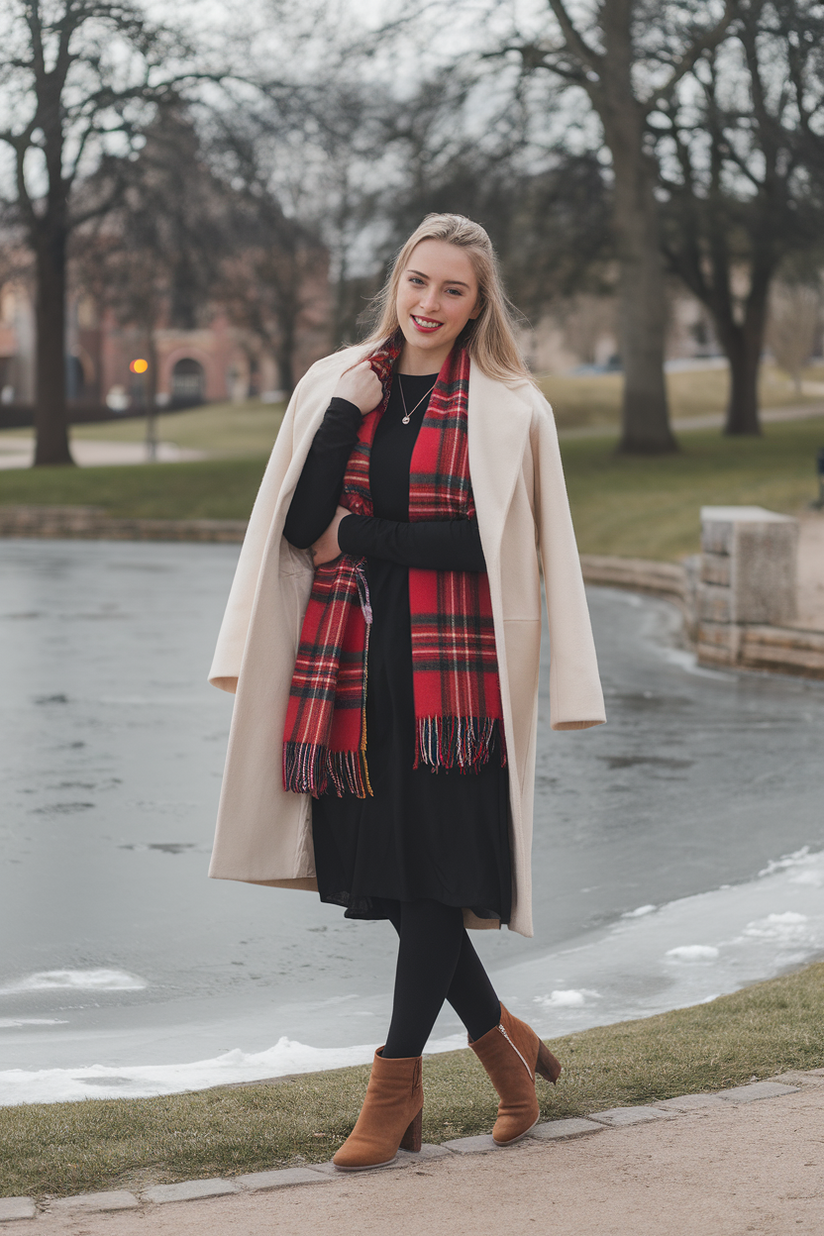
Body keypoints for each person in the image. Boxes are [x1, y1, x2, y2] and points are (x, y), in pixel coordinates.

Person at [207, 213, 605, 1171]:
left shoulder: (511, 406)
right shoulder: (340, 383)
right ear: (397, 281)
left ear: (479, 303)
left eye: (452, 290)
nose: (428, 305)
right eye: (416, 282)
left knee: (433, 879)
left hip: (457, 684)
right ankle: (506, 1053)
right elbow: (304, 525)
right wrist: (347, 405)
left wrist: (369, 533)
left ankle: (391, 1090)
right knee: (399, 886)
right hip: (350, 672)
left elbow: (482, 545)